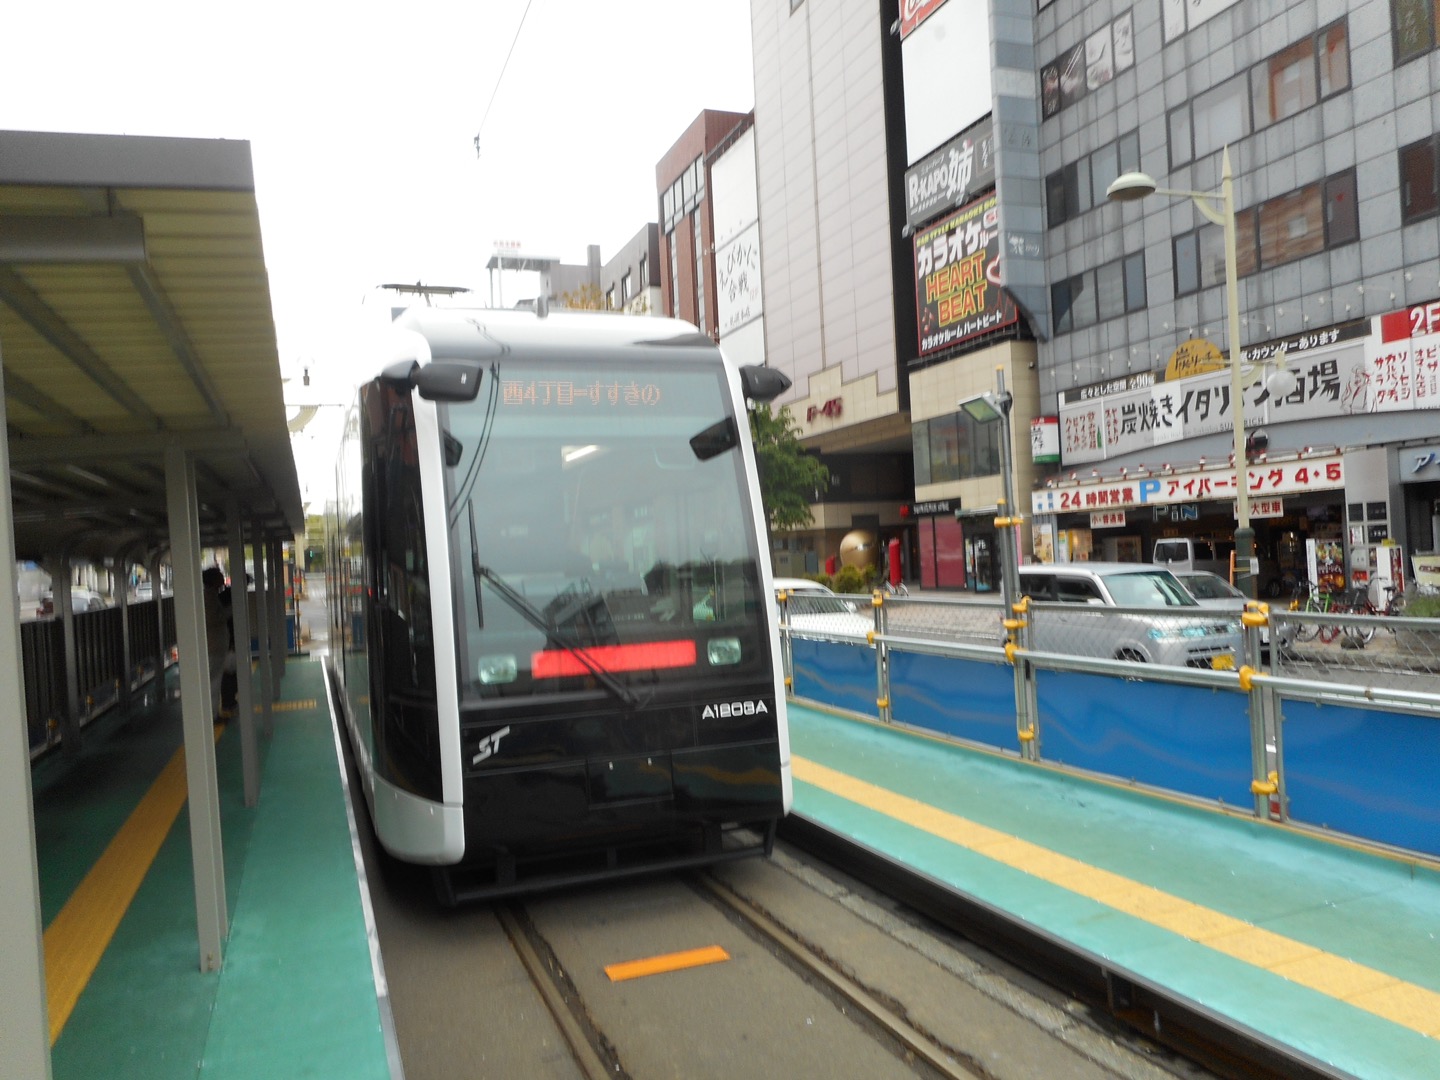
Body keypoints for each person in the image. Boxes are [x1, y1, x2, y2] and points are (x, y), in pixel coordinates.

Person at [202, 567, 232, 724]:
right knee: (213, 683)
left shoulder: (211, 595)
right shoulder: (208, 597)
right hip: (213, 646)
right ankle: (212, 716)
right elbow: (214, 618)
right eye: (219, 576)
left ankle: (213, 714)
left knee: (214, 682)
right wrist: (231, 610)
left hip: (216, 646)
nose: (222, 578)